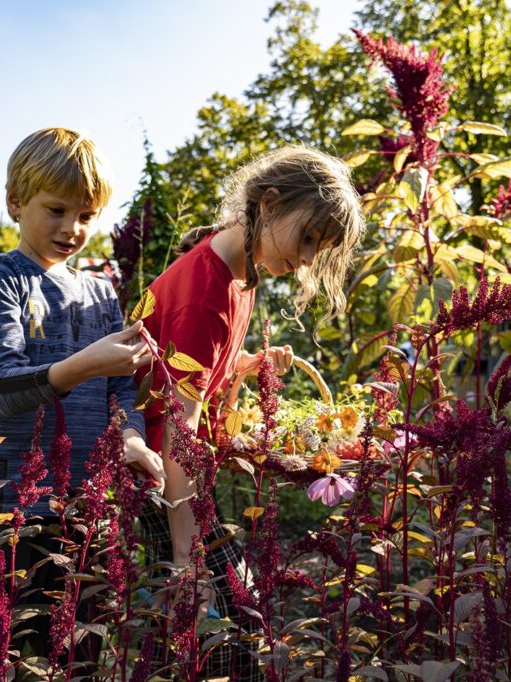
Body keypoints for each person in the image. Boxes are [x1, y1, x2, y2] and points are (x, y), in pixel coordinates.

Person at [139, 146, 365, 680]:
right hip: (151, 485)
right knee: (225, 637)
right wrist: (185, 558)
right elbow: (177, 428)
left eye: (321, 247)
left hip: (178, 479)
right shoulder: (209, 291)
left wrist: (245, 365)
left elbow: (191, 371)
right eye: (308, 236)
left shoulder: (239, 275)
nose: (309, 258)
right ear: (268, 202)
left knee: (241, 621)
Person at [0, 127, 165, 666]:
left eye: (87, 215)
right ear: (15, 203)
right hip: (9, 515)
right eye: (56, 209)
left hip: (85, 514)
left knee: (76, 659)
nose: (72, 228)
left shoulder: (99, 292)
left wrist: (132, 438)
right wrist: (86, 362)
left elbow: (120, 389)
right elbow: (3, 387)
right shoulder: (2, 277)